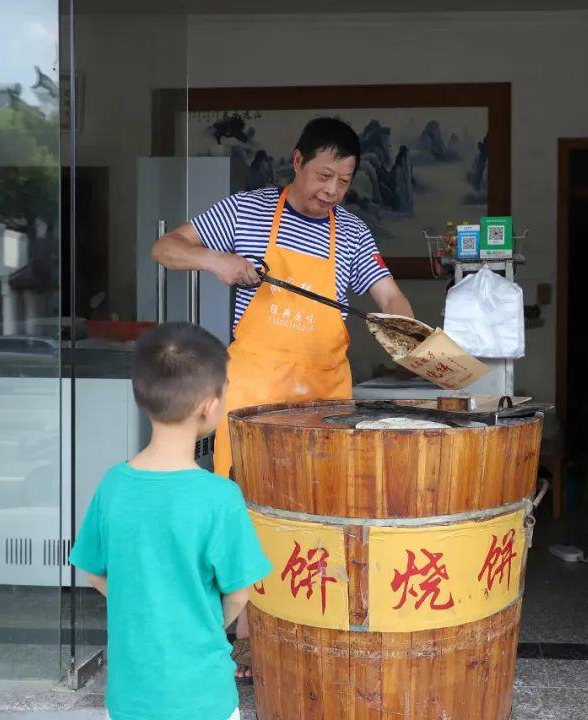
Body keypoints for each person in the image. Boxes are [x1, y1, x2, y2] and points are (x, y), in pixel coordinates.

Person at [151, 117, 412, 678]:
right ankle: (245, 638)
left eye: (343, 181)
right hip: (257, 394)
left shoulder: (355, 233)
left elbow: (387, 292)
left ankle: (313, 631)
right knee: (247, 516)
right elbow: (165, 247)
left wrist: (405, 330)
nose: (331, 191)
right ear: (296, 162)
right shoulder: (244, 212)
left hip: (324, 396)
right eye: (323, 175)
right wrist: (214, 259)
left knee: (320, 515)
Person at [69, 322, 271, 720]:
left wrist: (142, 604)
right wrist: (202, 620)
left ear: (142, 397)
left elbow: (93, 572)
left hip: (130, 697)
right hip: (204, 697)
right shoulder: (220, 497)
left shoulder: (114, 485)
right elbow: (239, 594)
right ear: (210, 405)